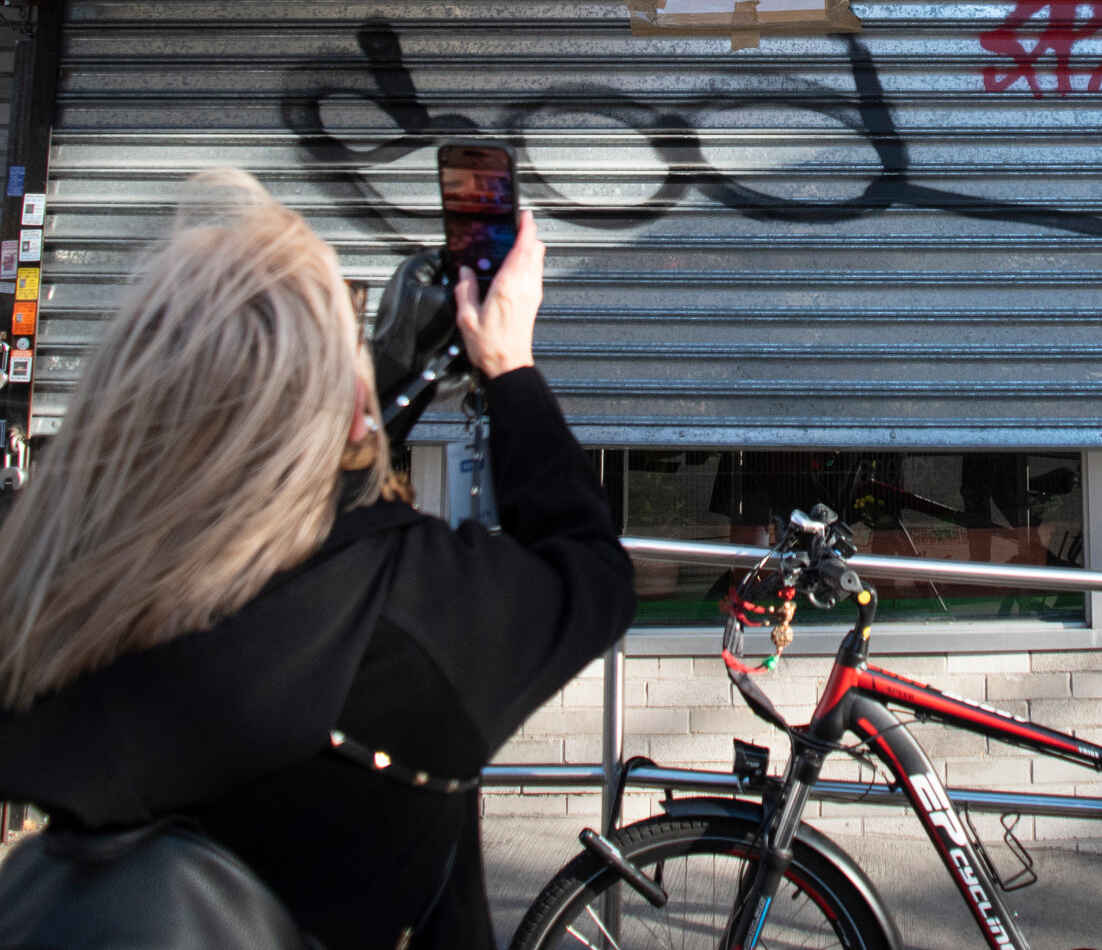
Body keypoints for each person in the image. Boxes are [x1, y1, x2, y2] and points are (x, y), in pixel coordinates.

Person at [0, 169, 634, 950]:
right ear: (347, 408)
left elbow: (270, 493)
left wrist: (383, 384)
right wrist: (507, 365)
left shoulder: (56, 590)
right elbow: (589, 573)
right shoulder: (407, 618)